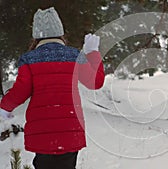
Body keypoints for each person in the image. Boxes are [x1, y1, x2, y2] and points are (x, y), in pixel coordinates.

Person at [0, 7, 105, 169]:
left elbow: (21, 90)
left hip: (42, 134)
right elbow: (95, 82)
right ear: (61, 33)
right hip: (70, 131)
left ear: (35, 36)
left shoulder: (29, 59)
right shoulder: (74, 55)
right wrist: (92, 52)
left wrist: (5, 107)